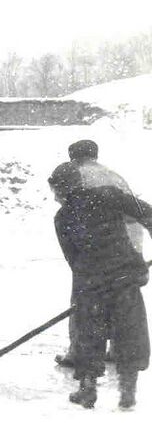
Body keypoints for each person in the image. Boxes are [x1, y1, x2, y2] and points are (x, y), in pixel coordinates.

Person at [49, 161, 152, 409]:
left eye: (55, 191)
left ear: (63, 188)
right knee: (130, 332)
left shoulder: (63, 217)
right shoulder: (108, 195)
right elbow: (147, 212)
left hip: (91, 283)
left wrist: (90, 277)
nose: (55, 198)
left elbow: (71, 257)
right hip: (124, 277)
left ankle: (88, 388)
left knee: (89, 335)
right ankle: (128, 391)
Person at [55, 140, 140, 368]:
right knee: (120, 296)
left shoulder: (76, 174)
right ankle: (116, 348)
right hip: (125, 242)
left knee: (84, 297)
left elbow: (68, 212)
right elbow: (137, 212)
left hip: (94, 246)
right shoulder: (115, 176)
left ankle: (77, 351)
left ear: (74, 157)